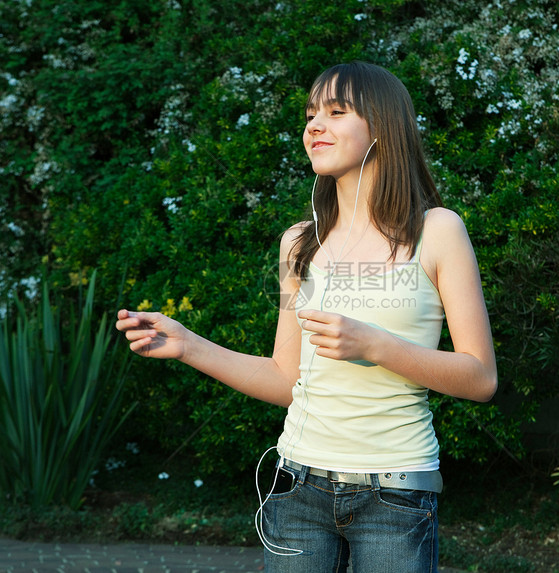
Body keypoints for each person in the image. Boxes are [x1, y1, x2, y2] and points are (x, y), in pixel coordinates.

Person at [115, 61, 497, 572]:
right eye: (312, 113)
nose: (314, 125)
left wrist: (375, 345)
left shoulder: (437, 230)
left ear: (382, 127)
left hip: (395, 497)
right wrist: (187, 345)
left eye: (336, 112)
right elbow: (284, 378)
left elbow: (481, 377)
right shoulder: (299, 243)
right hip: (296, 492)